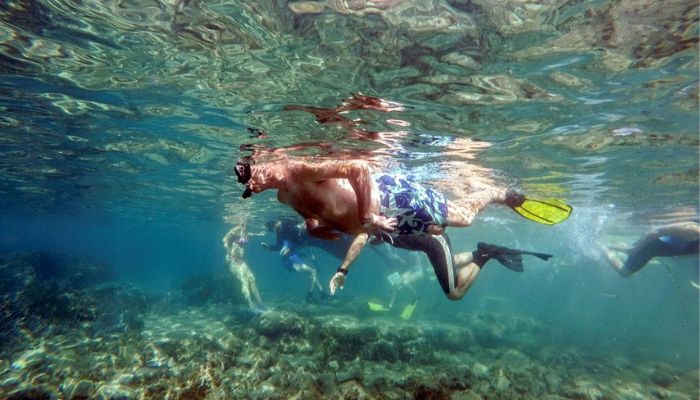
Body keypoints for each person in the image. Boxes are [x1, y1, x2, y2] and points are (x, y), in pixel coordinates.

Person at [234, 156, 571, 295]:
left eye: (256, 172)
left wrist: (366, 220)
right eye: (252, 183)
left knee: (463, 219)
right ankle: (481, 251)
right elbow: (320, 213)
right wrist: (313, 226)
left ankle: (494, 192)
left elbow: (360, 169)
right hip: (384, 222)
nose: (257, 182)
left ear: (268, 160)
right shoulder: (284, 198)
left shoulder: (300, 168)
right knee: (436, 234)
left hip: (391, 198)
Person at [599, 221, 699, 278]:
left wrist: (680, 257)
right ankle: (600, 245)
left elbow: (691, 251)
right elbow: (655, 231)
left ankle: (619, 247)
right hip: (648, 247)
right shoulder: (693, 230)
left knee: (637, 266)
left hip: (656, 250)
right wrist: (632, 249)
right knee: (624, 272)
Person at [222, 221, 264, 310]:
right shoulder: (232, 233)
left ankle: (260, 303)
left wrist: (258, 234)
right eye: (243, 225)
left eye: (245, 225)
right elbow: (224, 240)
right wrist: (228, 251)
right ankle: (251, 305)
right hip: (232, 261)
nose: (245, 226)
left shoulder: (244, 233)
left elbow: (248, 235)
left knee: (252, 279)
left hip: (241, 261)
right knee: (244, 281)